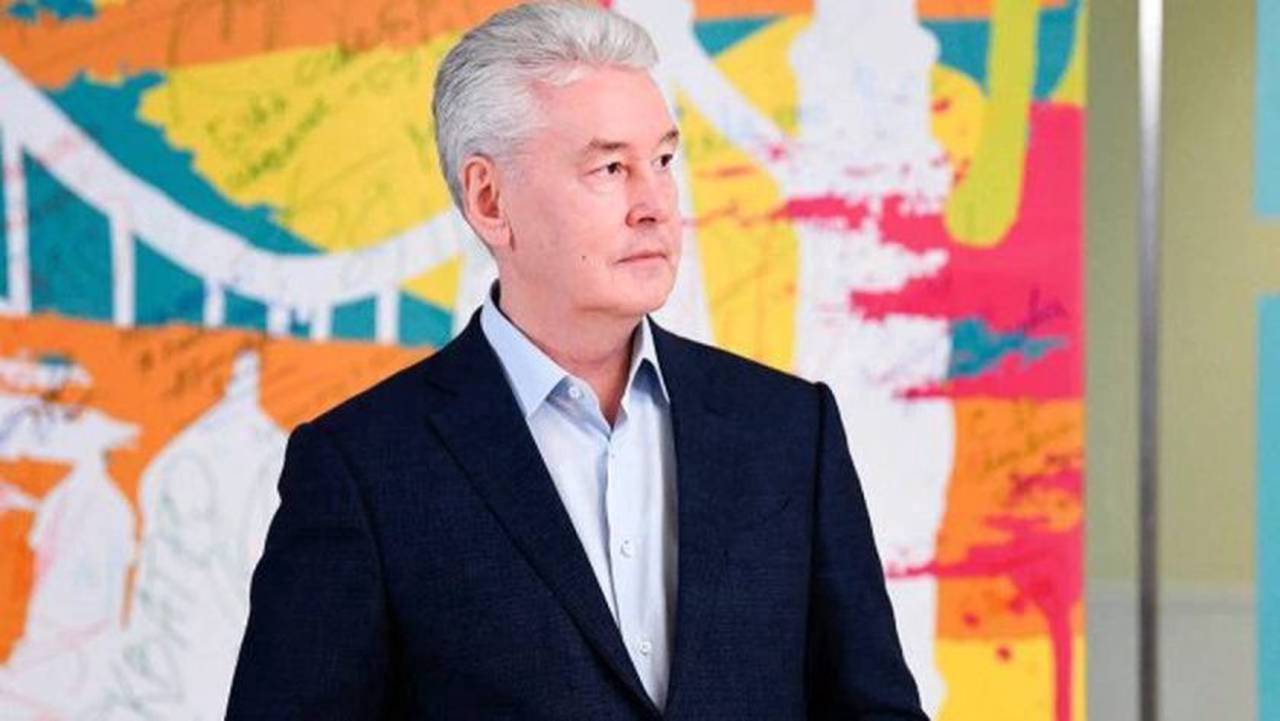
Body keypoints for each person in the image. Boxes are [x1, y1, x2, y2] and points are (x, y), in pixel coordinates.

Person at [224, 2, 927, 719]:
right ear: (489, 200)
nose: (655, 204)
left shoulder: (789, 429)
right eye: (610, 167)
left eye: (662, 161)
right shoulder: (361, 469)